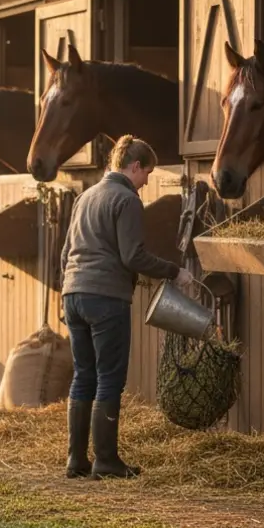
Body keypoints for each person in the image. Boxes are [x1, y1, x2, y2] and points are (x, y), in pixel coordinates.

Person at [58, 135, 195, 479]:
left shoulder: (85, 197)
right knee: (109, 378)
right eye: (146, 173)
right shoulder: (126, 199)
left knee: (83, 375)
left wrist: (72, 287)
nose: (147, 182)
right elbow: (132, 255)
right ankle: (105, 460)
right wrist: (173, 271)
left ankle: (76, 460)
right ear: (134, 167)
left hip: (73, 294)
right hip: (106, 298)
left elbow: (65, 253)